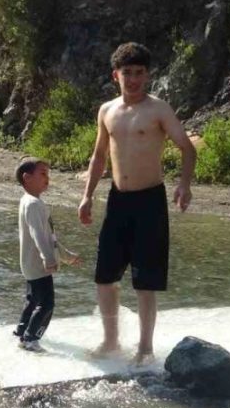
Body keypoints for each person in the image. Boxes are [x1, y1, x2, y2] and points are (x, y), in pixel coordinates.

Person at [78, 42, 196, 365]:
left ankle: (145, 348)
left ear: (148, 75)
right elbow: (99, 156)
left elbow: (187, 148)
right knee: (105, 276)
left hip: (150, 201)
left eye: (139, 73)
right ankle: (111, 341)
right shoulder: (107, 111)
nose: (133, 79)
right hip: (117, 200)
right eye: (127, 73)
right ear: (115, 75)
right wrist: (87, 195)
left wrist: (184, 184)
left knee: (146, 281)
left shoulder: (158, 109)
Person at [13, 158, 81, 352]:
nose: (47, 178)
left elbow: (48, 236)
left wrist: (65, 255)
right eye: (42, 174)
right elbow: (37, 234)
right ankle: (31, 338)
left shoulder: (29, 202)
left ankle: (21, 332)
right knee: (47, 304)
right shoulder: (33, 204)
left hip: (30, 263)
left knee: (33, 299)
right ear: (27, 178)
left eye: (48, 174)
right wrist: (48, 258)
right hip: (38, 265)